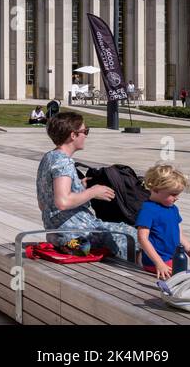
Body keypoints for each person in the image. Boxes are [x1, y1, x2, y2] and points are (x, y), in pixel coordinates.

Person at [35, 111, 129, 260]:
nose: (86, 135)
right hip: (76, 233)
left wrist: (79, 187)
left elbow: (43, 204)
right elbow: (62, 202)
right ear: (73, 135)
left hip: (56, 233)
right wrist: (93, 192)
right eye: (85, 131)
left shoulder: (48, 157)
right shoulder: (63, 162)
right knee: (131, 234)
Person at [136, 164, 190, 279]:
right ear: (156, 189)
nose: (177, 198)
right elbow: (142, 239)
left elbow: (180, 236)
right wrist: (159, 263)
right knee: (188, 281)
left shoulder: (173, 209)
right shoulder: (148, 209)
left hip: (172, 260)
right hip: (156, 263)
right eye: (173, 194)